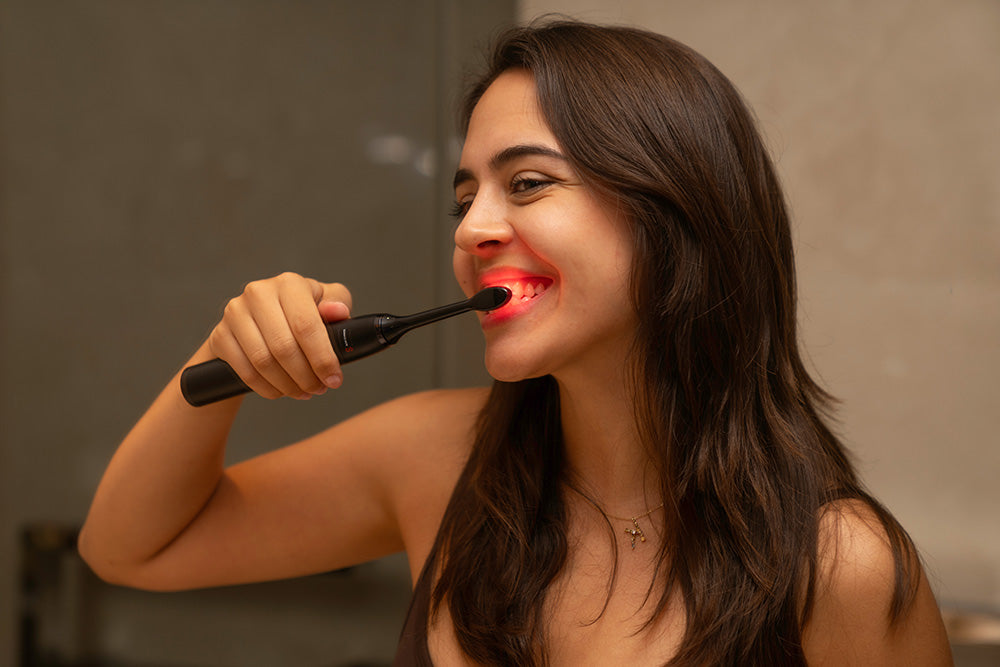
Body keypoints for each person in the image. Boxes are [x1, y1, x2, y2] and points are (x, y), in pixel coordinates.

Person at [79, 19, 953, 666]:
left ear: (678, 215)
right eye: (464, 199)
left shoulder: (841, 567)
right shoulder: (432, 457)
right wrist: (220, 359)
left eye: (527, 183)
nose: (472, 230)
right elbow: (131, 547)